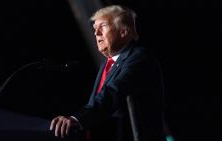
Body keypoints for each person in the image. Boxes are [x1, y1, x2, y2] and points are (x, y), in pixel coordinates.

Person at [50, 5, 166, 141]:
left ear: (123, 31)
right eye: (94, 29)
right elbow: (95, 103)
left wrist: (78, 118)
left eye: (103, 26)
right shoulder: (106, 64)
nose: (96, 33)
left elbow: (113, 92)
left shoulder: (139, 57)